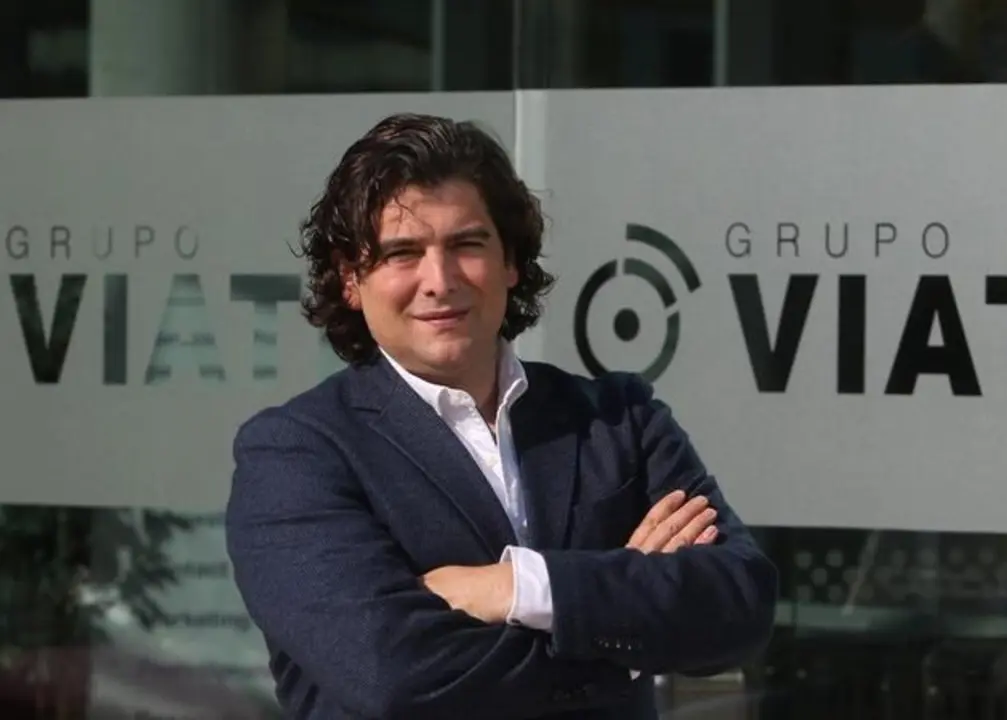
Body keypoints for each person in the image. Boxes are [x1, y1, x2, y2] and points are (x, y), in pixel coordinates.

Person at [224, 113, 778, 719]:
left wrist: (515, 586)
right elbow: (395, 674)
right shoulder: (295, 455)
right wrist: (623, 636)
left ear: (511, 260)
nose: (440, 281)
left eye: (467, 245)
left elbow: (740, 605)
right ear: (350, 279)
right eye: (402, 253)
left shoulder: (618, 419)